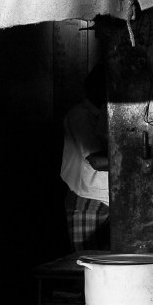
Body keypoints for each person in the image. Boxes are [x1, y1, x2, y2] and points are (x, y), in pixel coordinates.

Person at [60, 65, 110, 250]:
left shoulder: (104, 113)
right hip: (87, 199)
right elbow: (96, 160)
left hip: (104, 198)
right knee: (85, 266)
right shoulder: (80, 115)